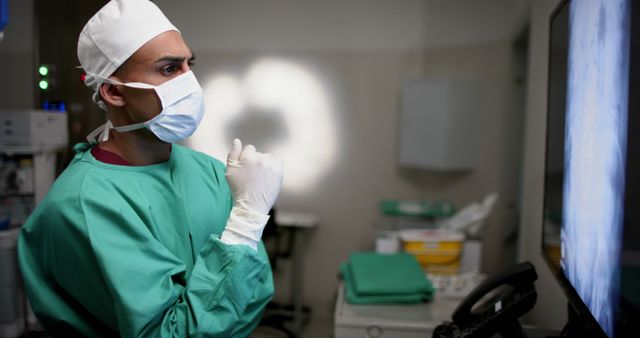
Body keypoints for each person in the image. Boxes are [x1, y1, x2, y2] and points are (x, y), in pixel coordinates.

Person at [17, 0, 283, 336]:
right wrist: (245, 225)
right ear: (114, 91)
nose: (191, 83)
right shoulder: (84, 206)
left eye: (190, 65)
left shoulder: (212, 172)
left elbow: (255, 294)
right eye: (170, 69)